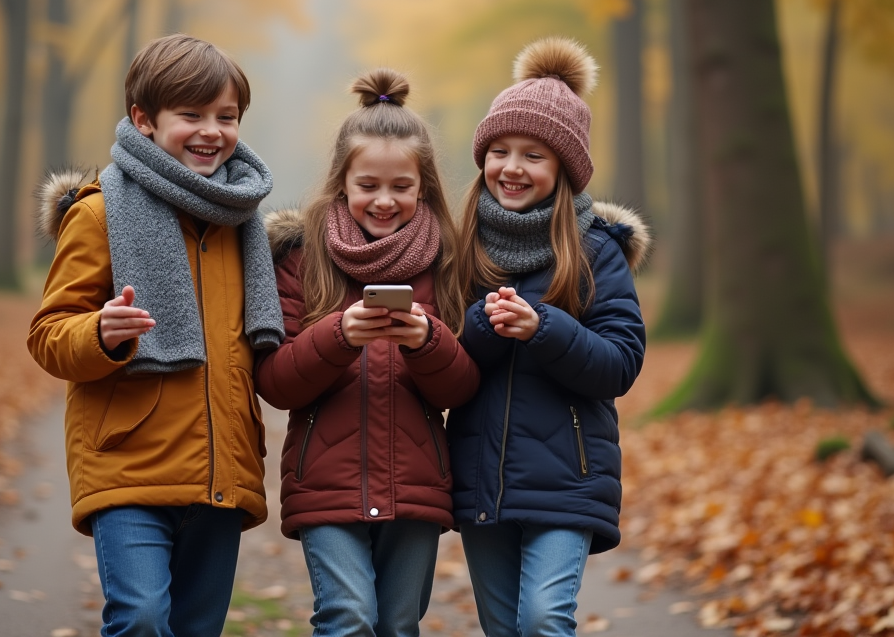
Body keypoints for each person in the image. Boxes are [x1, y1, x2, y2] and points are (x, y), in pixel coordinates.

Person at [27, 33, 284, 637]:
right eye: (190, 115)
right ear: (144, 119)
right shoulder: (98, 213)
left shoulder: (241, 222)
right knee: (141, 617)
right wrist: (102, 333)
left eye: (226, 117)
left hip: (223, 467)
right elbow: (48, 334)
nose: (210, 131)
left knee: (198, 627)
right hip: (128, 461)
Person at [255, 68, 479, 637]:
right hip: (324, 482)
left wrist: (427, 343)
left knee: (398, 625)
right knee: (348, 617)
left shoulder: (448, 264)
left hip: (417, 483)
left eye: (401, 187)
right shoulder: (301, 259)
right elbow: (276, 382)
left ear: (423, 188)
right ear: (342, 184)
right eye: (368, 186)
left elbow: (462, 389)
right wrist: (337, 336)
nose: (384, 200)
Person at [447, 36, 651, 637]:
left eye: (533, 155)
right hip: (481, 474)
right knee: (502, 626)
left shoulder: (594, 251)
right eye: (500, 150)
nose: (512, 168)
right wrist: (485, 326)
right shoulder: (462, 247)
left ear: (564, 168)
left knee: (543, 618)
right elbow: (442, 362)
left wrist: (546, 328)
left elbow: (619, 362)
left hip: (570, 475)